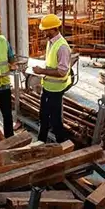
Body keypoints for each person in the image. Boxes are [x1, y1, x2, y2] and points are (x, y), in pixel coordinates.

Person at [31, 13, 71, 143]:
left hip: (56, 89)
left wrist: (42, 71)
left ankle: (62, 144)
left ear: (53, 29)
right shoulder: (51, 42)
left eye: (45, 29)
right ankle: (41, 141)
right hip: (48, 87)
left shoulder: (62, 47)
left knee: (55, 120)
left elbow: (62, 72)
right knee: (43, 116)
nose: (43, 31)